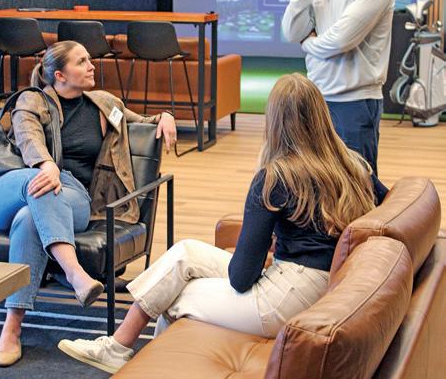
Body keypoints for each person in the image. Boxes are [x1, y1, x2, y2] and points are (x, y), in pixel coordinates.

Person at [58, 72, 388, 375]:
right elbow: (384, 204)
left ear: (273, 121)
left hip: (287, 297)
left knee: (173, 295)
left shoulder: (276, 178)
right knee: (185, 253)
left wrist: (267, 248)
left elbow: (242, 278)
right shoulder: (352, 164)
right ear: (321, 116)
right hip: (319, 285)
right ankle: (118, 347)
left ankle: (130, 354)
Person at [0, 40, 177, 368]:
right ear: (60, 75)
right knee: (38, 185)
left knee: (31, 216)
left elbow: (141, 120)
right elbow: (27, 137)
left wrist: (165, 116)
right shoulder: (31, 101)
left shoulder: (105, 104)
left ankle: (12, 327)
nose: (92, 65)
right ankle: (75, 273)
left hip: (74, 196)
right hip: (15, 186)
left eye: (89, 59)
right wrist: (46, 165)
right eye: (81, 62)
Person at [282, 0, 395, 174]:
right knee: (320, 186)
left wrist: (308, 43)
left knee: (357, 186)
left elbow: (341, 41)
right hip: (317, 99)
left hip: (354, 103)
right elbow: (291, 30)